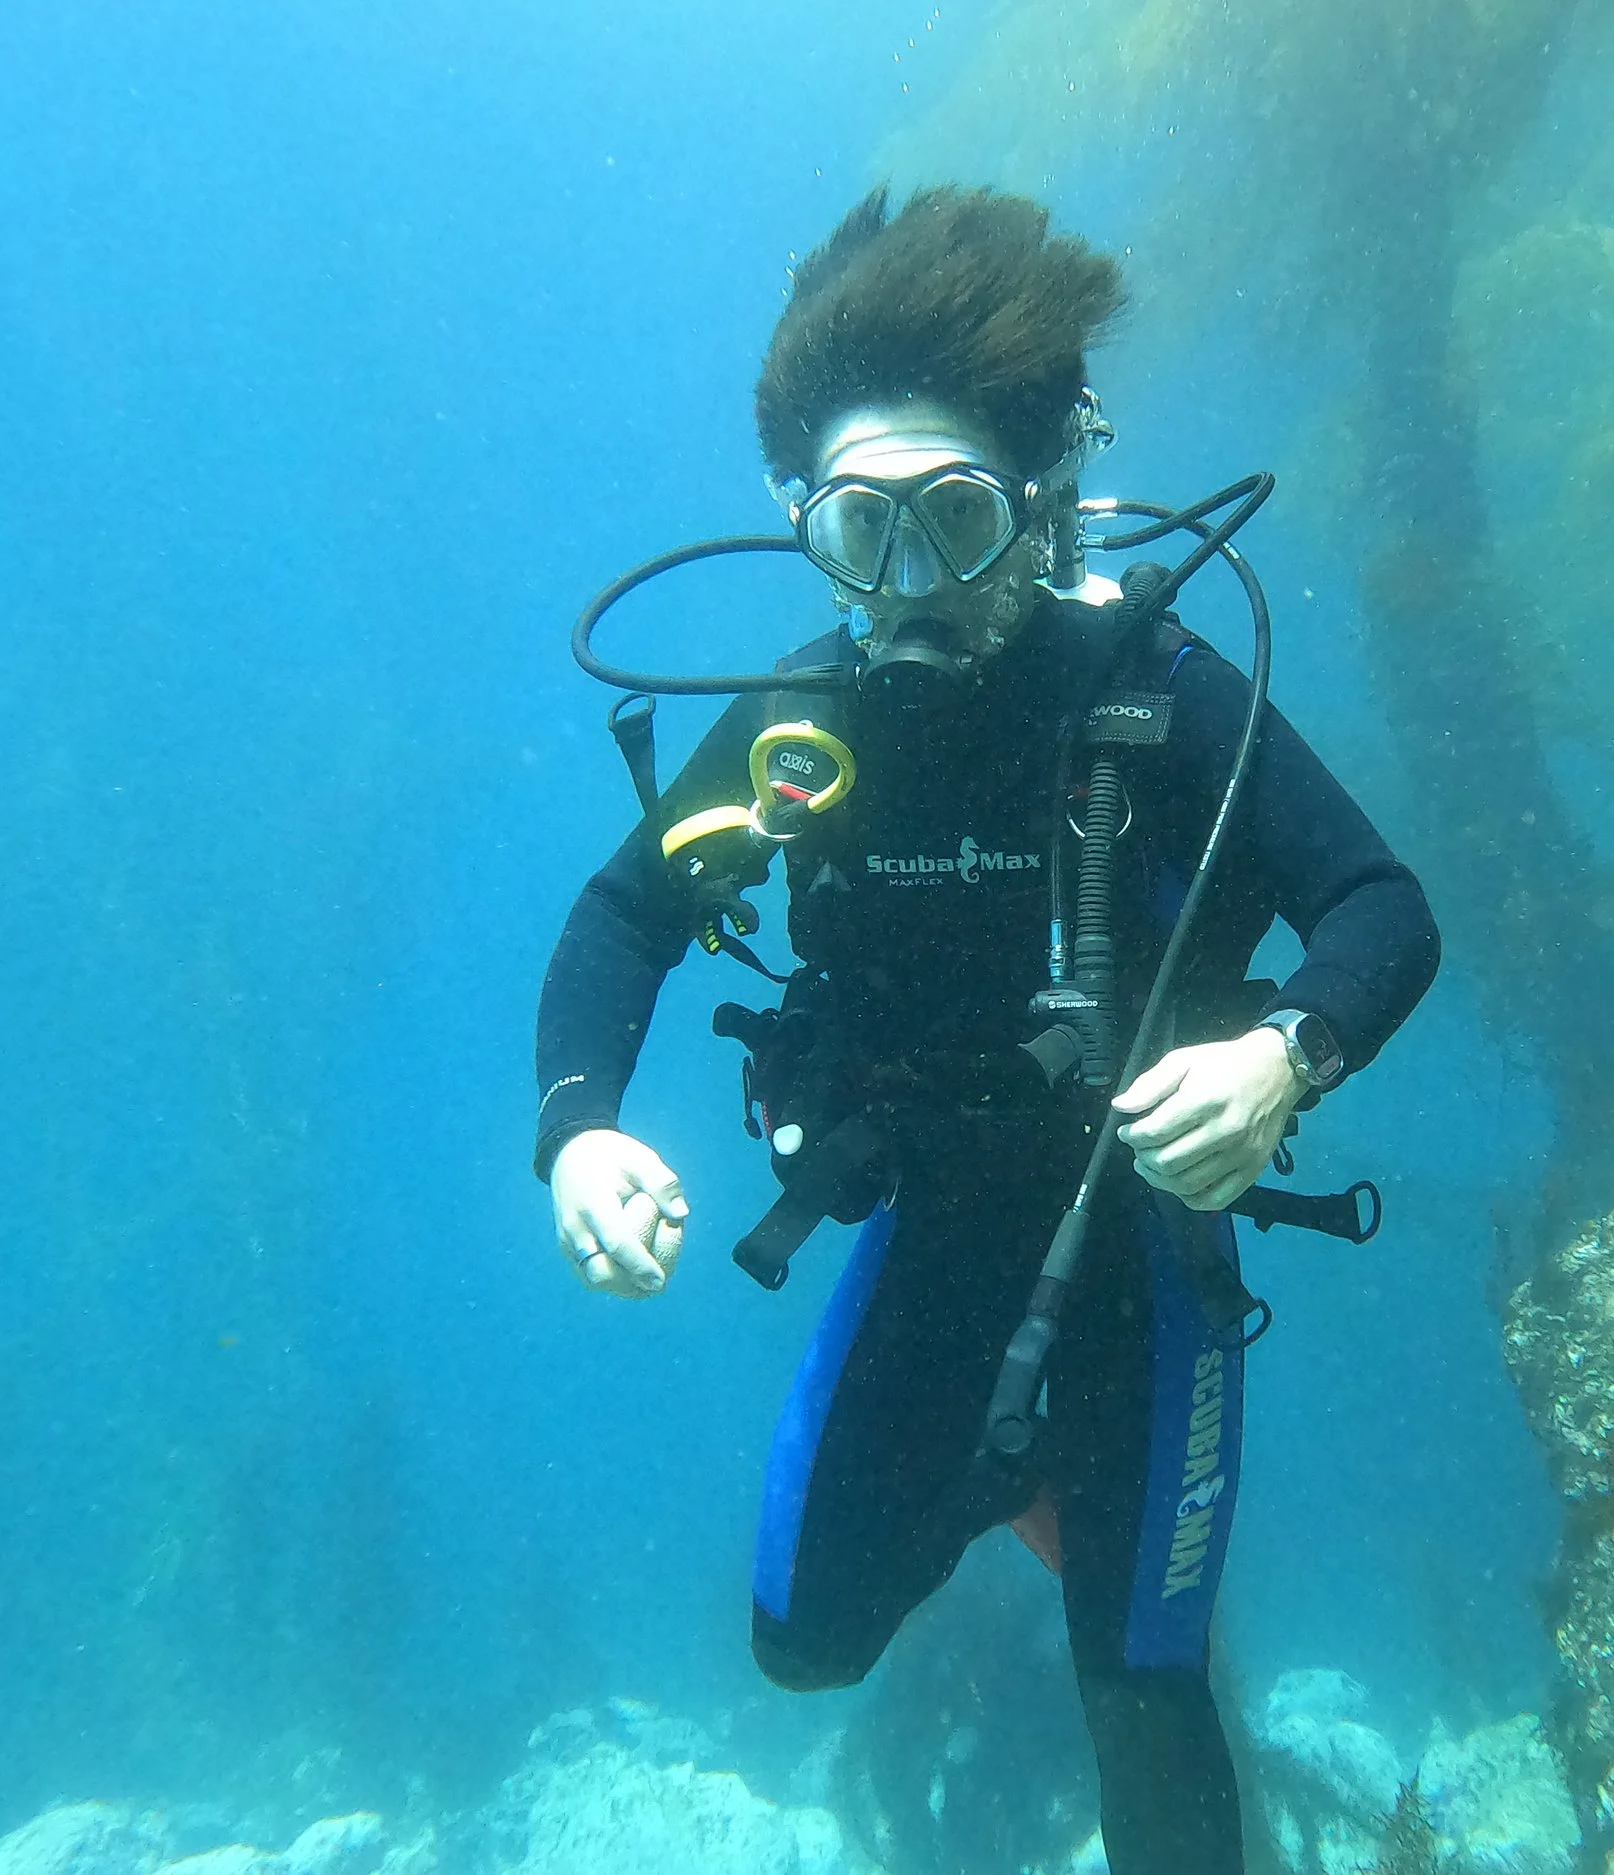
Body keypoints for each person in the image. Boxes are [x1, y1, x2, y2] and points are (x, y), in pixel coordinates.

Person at [533, 185, 1440, 1875]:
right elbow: (621, 918)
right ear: (802, 527)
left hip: (1144, 1250)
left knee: (1147, 1709)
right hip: (936, 1231)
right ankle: (1028, 1490)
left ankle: (1096, 1524)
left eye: (951, 522)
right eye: (856, 535)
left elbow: (1381, 909)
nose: (908, 589)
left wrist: (1285, 1054)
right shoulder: (804, 726)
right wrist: (577, 1129)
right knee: (801, 1645)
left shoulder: (1158, 693)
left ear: (1045, 502)